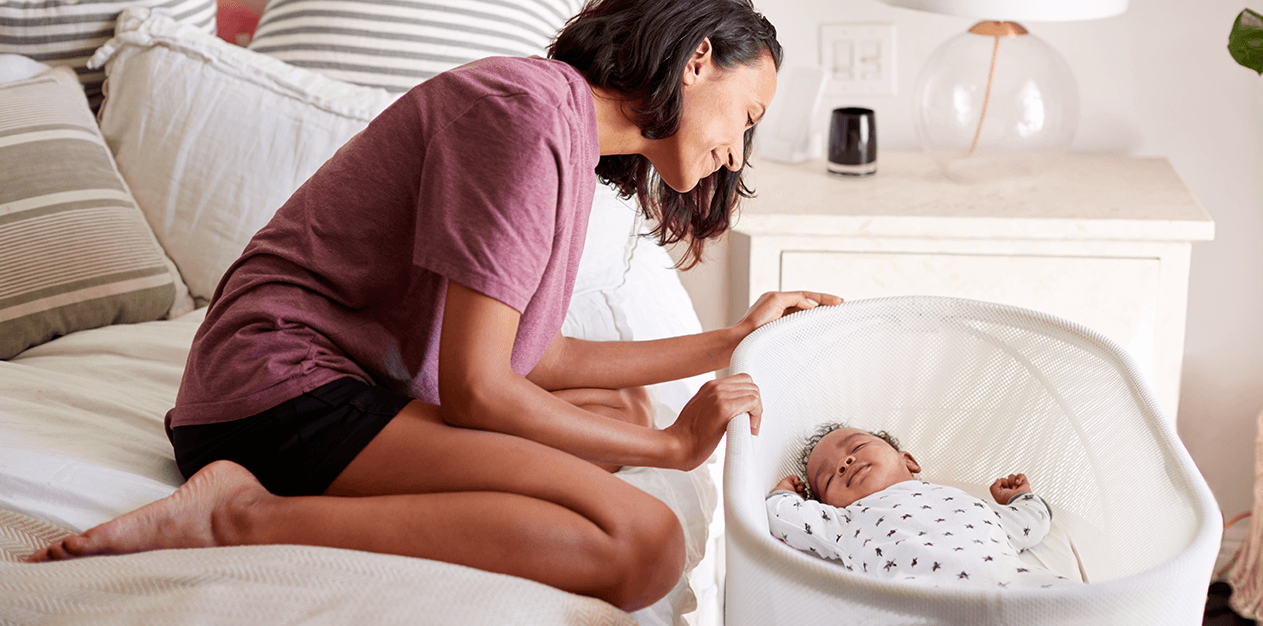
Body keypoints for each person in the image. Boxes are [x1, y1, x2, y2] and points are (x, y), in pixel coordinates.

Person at [25, 0, 843, 611]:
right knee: (646, 542)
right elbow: (479, 388)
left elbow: (537, 358)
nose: (738, 148)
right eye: (749, 115)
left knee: (617, 405)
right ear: (698, 58)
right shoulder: (524, 117)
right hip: (274, 390)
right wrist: (670, 449)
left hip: (348, 383)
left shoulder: (562, 129)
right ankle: (240, 515)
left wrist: (730, 339)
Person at [766, 423, 1074, 588]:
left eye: (857, 448)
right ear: (827, 506)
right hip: (920, 600)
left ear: (908, 460)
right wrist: (786, 496)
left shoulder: (965, 501)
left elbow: (1029, 522)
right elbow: (781, 516)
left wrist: (1020, 498)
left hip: (1012, 585)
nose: (845, 463)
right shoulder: (846, 521)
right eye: (828, 477)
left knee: (1074, 602)